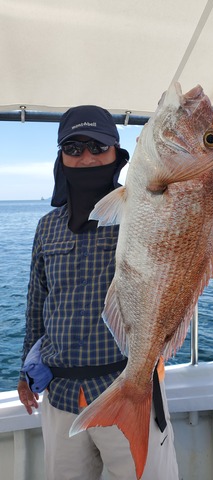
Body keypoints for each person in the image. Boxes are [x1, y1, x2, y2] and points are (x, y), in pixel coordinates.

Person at [17, 105, 179, 480]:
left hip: (126, 384)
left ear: (118, 155)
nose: (86, 157)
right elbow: (36, 304)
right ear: (61, 158)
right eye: (73, 148)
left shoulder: (145, 210)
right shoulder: (47, 227)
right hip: (60, 397)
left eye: (97, 146)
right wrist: (25, 371)